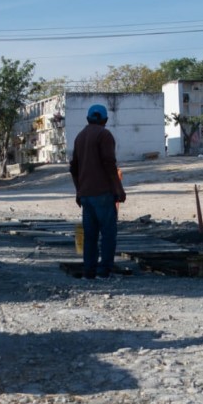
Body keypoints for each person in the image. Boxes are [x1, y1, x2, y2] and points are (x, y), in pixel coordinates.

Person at [70, 104, 126, 279]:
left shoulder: (80, 137)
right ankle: (104, 271)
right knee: (108, 234)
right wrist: (119, 189)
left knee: (90, 236)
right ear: (105, 120)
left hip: (86, 195)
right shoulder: (104, 135)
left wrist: (78, 191)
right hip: (102, 193)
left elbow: (74, 168)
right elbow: (109, 164)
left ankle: (89, 271)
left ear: (87, 119)